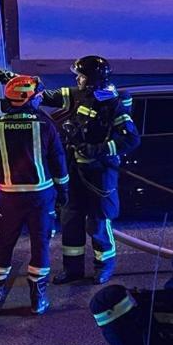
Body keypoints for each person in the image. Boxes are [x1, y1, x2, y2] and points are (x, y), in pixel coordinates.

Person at [0, 76, 68, 314]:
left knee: (4, 243)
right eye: (38, 96)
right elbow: (58, 162)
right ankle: (38, 298)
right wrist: (63, 191)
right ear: (28, 99)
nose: (41, 99)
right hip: (41, 197)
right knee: (40, 244)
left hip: (10, 198)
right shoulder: (45, 125)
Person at [41, 56, 140, 285]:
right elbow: (48, 96)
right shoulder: (78, 95)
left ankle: (104, 266)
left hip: (100, 174)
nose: (77, 79)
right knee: (70, 220)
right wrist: (19, 83)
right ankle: (72, 270)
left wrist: (96, 150)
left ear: (93, 79)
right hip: (76, 171)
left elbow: (131, 139)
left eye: (81, 76)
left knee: (98, 222)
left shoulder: (113, 104)